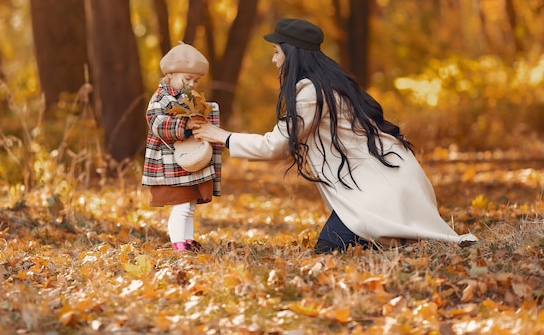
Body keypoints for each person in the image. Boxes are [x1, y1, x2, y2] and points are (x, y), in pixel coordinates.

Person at [193, 18, 478, 253]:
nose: (273, 59)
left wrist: (223, 136)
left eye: (277, 52)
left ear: (292, 53)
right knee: (337, 246)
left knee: (329, 250)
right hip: (391, 181)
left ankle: (393, 239)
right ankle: (392, 240)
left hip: (382, 193)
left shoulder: (310, 93)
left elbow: (277, 144)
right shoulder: (328, 83)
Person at [141, 42, 222, 253]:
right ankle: (179, 244)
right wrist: (184, 124)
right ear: (170, 73)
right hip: (170, 163)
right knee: (182, 204)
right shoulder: (161, 98)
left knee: (190, 204)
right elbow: (156, 123)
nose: (193, 84)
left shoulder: (187, 98)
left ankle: (188, 240)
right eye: (188, 79)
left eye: (196, 80)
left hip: (186, 162)